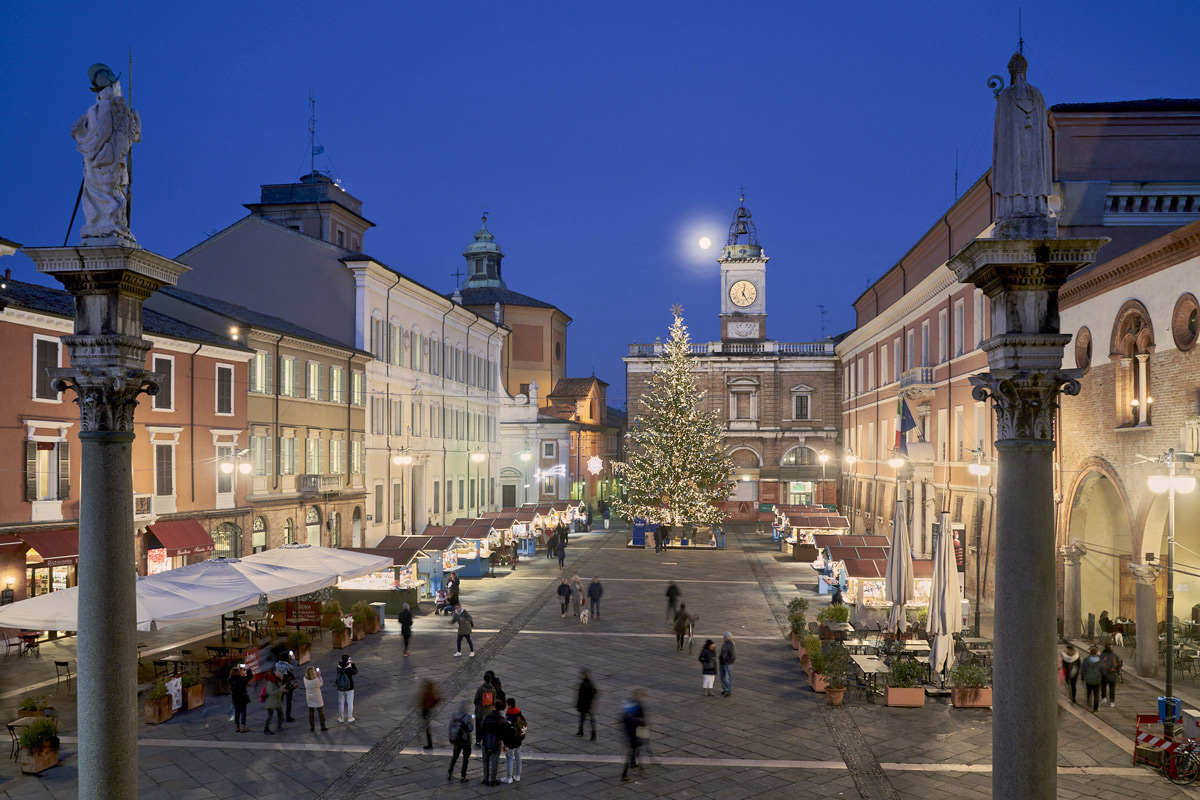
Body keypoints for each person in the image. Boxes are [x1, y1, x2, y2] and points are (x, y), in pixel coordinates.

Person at [479, 701, 511, 786]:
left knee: (485, 761)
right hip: (496, 743)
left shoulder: (487, 717)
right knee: (494, 762)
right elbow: (505, 735)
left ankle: (485, 779)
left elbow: (481, 730)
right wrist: (505, 744)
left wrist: (482, 739)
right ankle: (493, 779)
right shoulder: (502, 720)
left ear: (494, 707)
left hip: (486, 742)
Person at [619, 690, 647, 782]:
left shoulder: (630, 709)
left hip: (633, 734)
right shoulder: (629, 715)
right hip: (632, 735)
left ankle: (633, 764)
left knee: (635, 750)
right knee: (631, 753)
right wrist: (639, 721)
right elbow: (632, 721)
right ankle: (624, 775)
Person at [447, 700, 474, 783]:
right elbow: (471, 729)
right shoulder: (468, 717)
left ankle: (450, 772)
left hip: (456, 740)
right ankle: (463, 775)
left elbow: (450, 727)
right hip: (466, 740)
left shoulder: (454, 715)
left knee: (455, 756)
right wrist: (472, 721)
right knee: (465, 759)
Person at [502, 696, 527, 783]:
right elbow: (524, 728)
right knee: (518, 758)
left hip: (510, 742)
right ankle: (518, 776)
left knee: (509, 759)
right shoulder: (520, 715)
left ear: (509, 706)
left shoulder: (508, 718)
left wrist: (505, 744)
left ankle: (509, 778)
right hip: (518, 741)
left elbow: (505, 733)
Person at [473, 671, 499, 745]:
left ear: (484, 679)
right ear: (490, 680)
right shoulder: (493, 690)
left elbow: (475, 699)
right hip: (489, 711)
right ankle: (485, 739)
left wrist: (477, 705)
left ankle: (478, 741)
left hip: (479, 711)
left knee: (478, 725)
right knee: (486, 726)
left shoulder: (480, 689)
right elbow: (494, 701)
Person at [228, 662, 251, 734]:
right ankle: (243, 727)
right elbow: (250, 676)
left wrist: (239, 669)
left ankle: (237, 727)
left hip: (235, 698)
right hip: (242, 698)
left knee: (237, 712)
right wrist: (247, 669)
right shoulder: (241, 679)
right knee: (243, 712)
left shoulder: (230, 679)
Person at [304, 666, 328, 732]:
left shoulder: (305, 679)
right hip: (317, 697)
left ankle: (312, 726)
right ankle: (323, 726)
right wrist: (319, 676)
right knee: (320, 711)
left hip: (309, 697)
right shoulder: (315, 680)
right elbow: (321, 684)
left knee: (311, 712)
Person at [336, 653, 358, 723]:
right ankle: (349, 717)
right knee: (350, 702)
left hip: (340, 687)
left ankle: (341, 717)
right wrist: (352, 664)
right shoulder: (349, 668)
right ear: (347, 660)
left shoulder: (338, 667)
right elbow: (356, 671)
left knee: (341, 702)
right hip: (349, 687)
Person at [276, 652, 298, 722]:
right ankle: (288, 716)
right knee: (289, 701)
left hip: (280, 684)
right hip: (288, 685)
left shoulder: (276, 664)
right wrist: (293, 659)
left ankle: (279, 716)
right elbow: (294, 667)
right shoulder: (287, 665)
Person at [1099, 643, 1123, 708]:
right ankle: (1112, 701)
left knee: (1103, 686)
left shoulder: (1102, 655)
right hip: (1112, 674)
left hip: (1104, 674)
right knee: (1112, 688)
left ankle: (1104, 697)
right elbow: (1118, 664)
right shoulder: (1114, 655)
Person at [576, 669, 597, 740]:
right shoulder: (589, 683)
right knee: (585, 719)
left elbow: (581, 696)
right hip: (588, 704)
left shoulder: (584, 684)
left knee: (584, 718)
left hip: (584, 705)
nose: (580, 676)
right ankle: (581, 731)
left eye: (582, 674)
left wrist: (585, 701)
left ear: (584, 675)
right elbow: (595, 692)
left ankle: (585, 732)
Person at [1081, 646, 1103, 713]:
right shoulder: (1100, 661)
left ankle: (1089, 702)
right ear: (1096, 653)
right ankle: (1095, 708)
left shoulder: (1086, 660)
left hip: (1089, 679)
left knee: (1089, 692)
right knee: (1096, 694)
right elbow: (1103, 671)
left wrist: (1082, 678)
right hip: (1097, 680)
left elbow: (1083, 670)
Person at [419, 679, 439, 749]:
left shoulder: (428, 693)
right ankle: (429, 744)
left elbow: (426, 702)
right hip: (426, 711)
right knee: (427, 728)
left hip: (426, 711)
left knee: (427, 728)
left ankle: (429, 744)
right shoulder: (431, 692)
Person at [719, 632, 736, 696]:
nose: (723, 638)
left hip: (727, 663)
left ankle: (729, 691)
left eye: (724, 637)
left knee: (727, 677)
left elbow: (733, 656)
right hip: (722, 662)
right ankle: (725, 689)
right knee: (722, 677)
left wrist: (729, 662)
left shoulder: (730, 645)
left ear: (727, 637)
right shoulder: (726, 643)